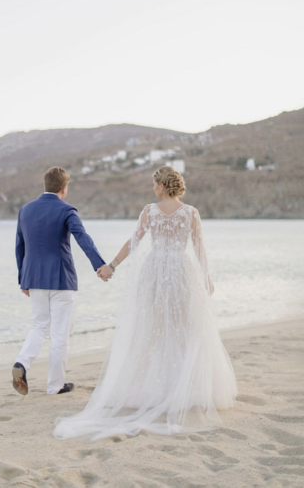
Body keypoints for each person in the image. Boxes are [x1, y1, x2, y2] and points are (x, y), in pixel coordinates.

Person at [53, 165, 238, 441]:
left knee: (151, 329)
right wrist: (206, 278)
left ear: (162, 186)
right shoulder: (191, 213)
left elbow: (134, 242)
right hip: (180, 272)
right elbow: (199, 249)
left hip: (156, 273)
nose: (153, 189)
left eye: (155, 184)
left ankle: (154, 388)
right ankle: (184, 388)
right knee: (183, 327)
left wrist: (111, 265)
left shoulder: (150, 211)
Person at [12, 166, 113, 396]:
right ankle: (55, 385)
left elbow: (20, 247)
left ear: (45, 185)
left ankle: (21, 363)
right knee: (60, 334)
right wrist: (100, 264)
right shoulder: (67, 210)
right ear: (64, 188)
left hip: (34, 279)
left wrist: (23, 279)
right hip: (61, 280)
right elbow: (82, 239)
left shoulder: (25, 210)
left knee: (40, 327)